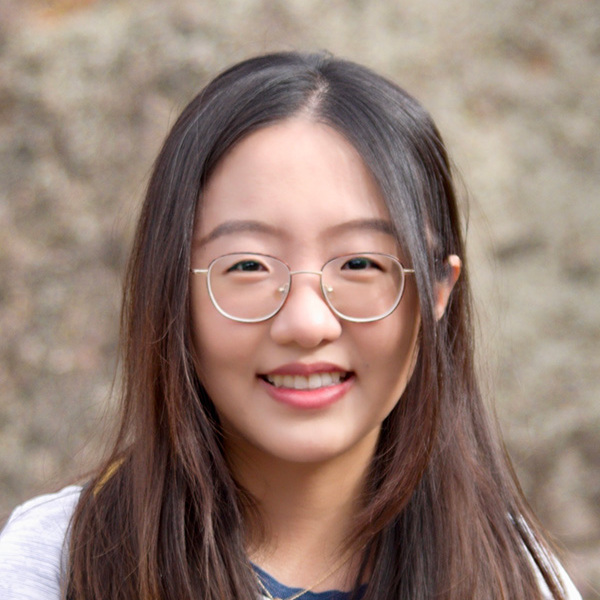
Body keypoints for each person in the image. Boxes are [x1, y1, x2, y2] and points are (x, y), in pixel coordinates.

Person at [0, 51, 581, 600]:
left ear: (437, 292)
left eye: (361, 264)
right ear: (172, 289)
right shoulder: (56, 566)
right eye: (248, 266)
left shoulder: (514, 578)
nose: (306, 323)